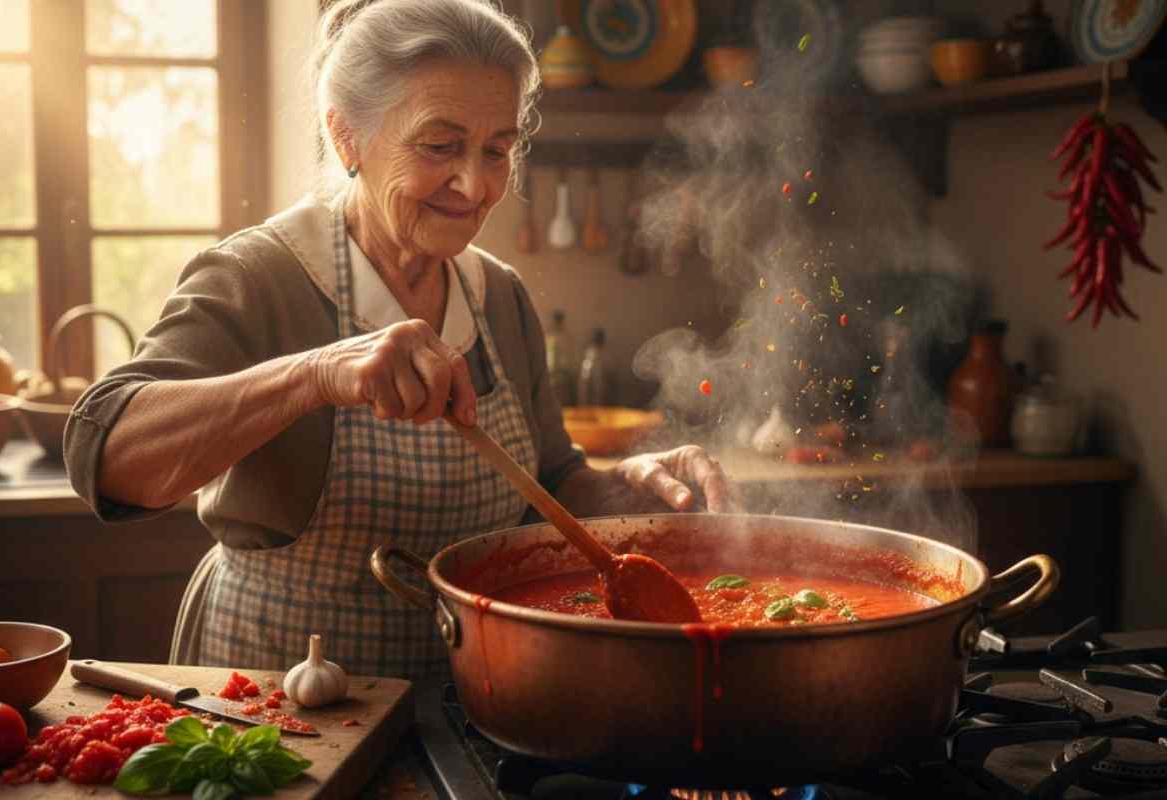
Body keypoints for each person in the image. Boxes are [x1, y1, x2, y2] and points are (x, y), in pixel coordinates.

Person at [64, 0, 734, 680]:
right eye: (440, 146)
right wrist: (317, 375)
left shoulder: (499, 296)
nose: (474, 185)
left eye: (497, 150)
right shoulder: (258, 276)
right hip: (276, 709)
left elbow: (551, 482)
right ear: (347, 135)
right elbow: (104, 455)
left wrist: (628, 494)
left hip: (468, 701)